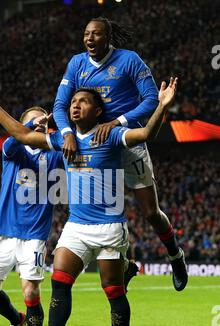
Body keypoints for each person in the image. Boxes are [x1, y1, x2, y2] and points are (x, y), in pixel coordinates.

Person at [0, 75, 178, 326]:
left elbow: (145, 134)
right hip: (69, 227)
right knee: (49, 283)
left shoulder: (100, 137)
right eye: (72, 102)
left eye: (83, 101)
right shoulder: (46, 144)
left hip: (100, 226)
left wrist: (161, 106)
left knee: (111, 290)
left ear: (98, 110)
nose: (75, 105)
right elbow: (19, 134)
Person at [53, 17, 188, 291]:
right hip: (94, 148)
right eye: (87, 34)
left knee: (150, 212)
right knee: (104, 214)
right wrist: (67, 133)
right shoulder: (77, 63)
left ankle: (175, 255)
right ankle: (125, 266)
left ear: (108, 37)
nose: (90, 39)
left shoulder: (129, 60)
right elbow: (59, 104)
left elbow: (151, 100)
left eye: (97, 34)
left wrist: (117, 122)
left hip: (126, 141)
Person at [0, 106, 64, 326]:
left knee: (31, 292)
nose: (38, 124)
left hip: (34, 235)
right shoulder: (13, 151)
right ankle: (17, 320)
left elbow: (67, 141)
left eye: (41, 120)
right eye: (31, 121)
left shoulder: (55, 154)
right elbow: (16, 137)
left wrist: (54, 125)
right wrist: (28, 127)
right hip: (3, 232)